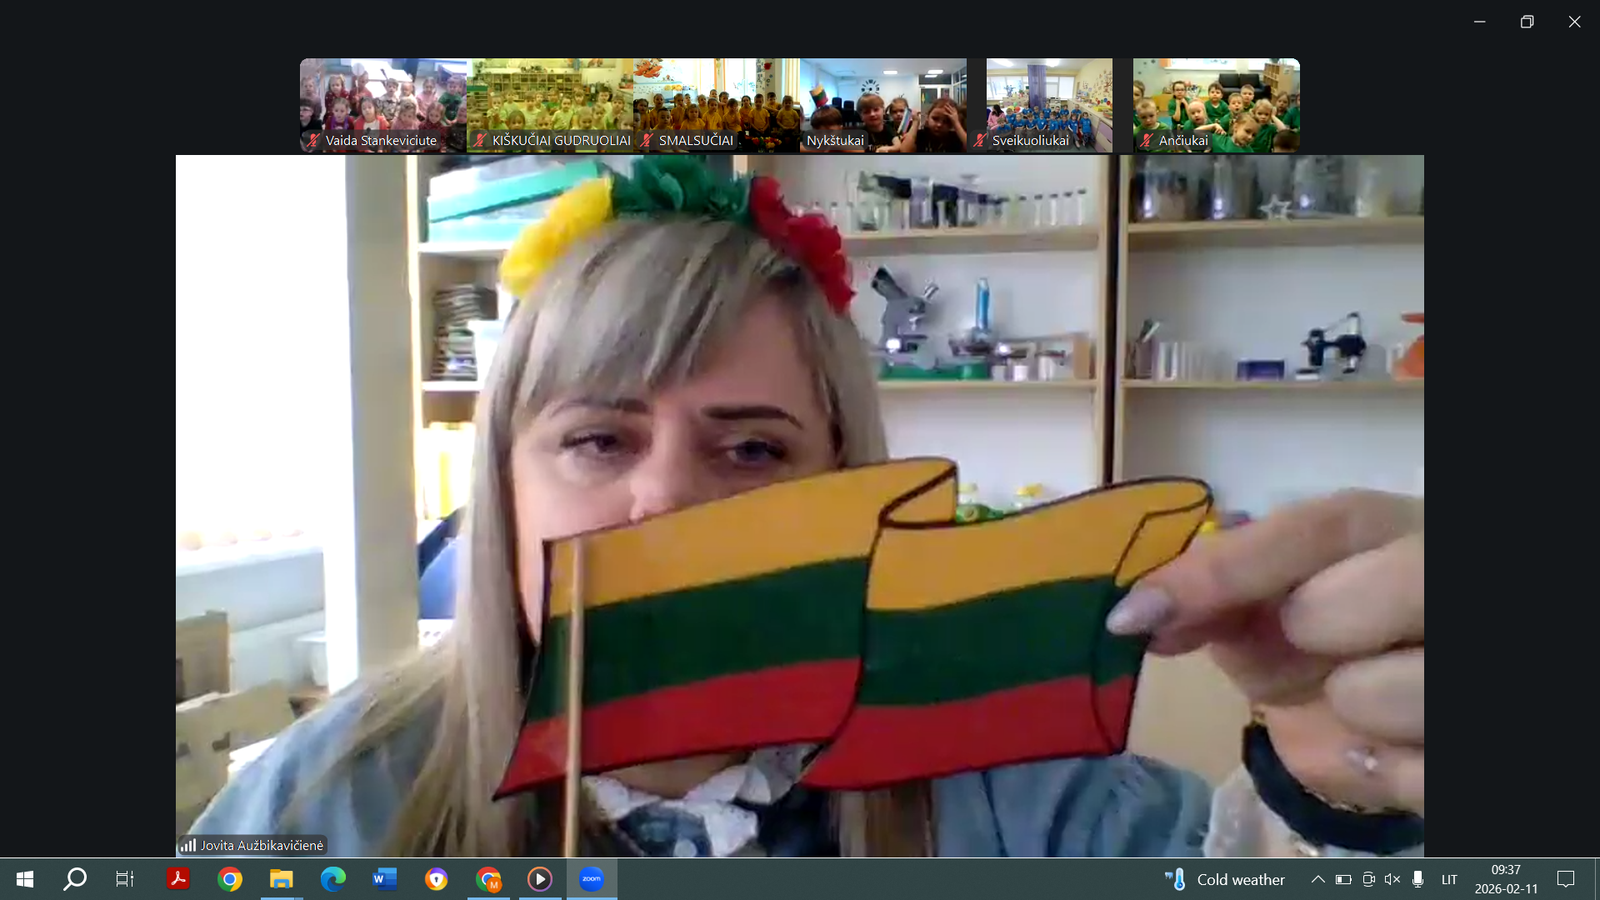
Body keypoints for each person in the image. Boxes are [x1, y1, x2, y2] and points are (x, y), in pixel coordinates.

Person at [190, 157, 1424, 859]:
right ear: (503, 488)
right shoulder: (320, 802)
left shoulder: (1017, 787)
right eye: (598, 439)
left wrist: (1340, 803)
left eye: (750, 448)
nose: (664, 501)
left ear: (843, 485)